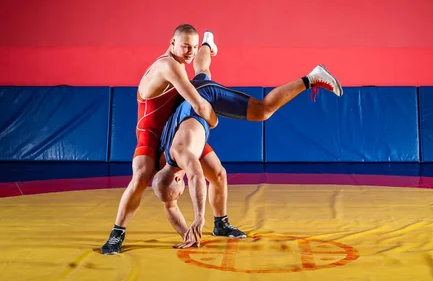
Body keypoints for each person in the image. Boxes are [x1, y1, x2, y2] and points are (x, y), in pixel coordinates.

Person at [151, 55, 343, 247]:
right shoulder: (164, 167)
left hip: (204, 99)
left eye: (179, 194)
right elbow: (170, 205)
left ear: (178, 179)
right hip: (190, 110)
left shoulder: (183, 154)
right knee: (218, 174)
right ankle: (221, 224)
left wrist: (199, 217)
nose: (179, 197)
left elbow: (196, 178)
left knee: (262, 110)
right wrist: (187, 235)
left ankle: (311, 78)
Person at [101, 24, 220, 255]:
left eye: (194, 47)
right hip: (151, 132)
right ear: (172, 42)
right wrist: (214, 122)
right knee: (142, 176)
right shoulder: (169, 66)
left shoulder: (178, 64)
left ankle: (208, 43)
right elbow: (198, 104)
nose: (189, 52)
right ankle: (117, 233)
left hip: (174, 127)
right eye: (186, 46)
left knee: (217, 172)